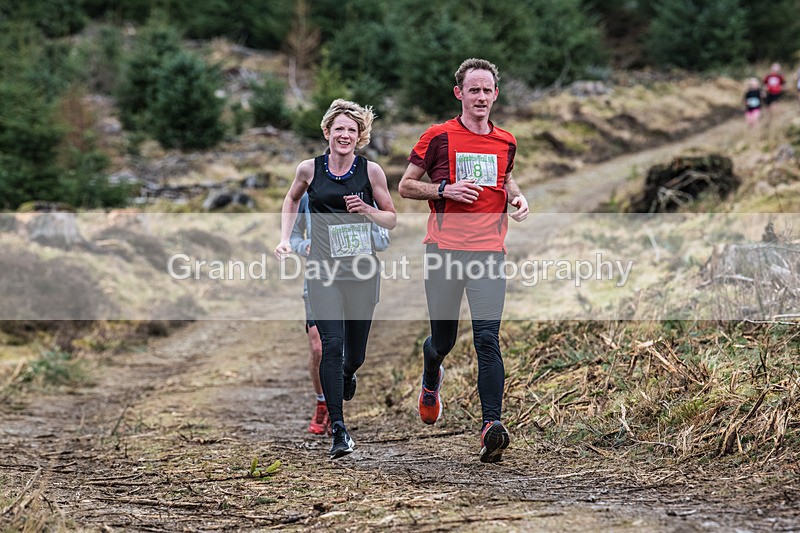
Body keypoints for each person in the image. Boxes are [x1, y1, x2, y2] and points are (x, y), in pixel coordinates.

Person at [398, 58, 528, 463]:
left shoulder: (506, 141)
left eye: (487, 90)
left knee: (488, 339)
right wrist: (445, 190)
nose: (481, 97)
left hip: (489, 253)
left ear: (495, 95)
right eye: (473, 90)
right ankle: (431, 371)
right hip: (444, 252)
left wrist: (517, 197)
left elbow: (505, 179)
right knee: (444, 340)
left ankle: (492, 425)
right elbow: (405, 186)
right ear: (460, 94)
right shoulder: (438, 136)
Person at [275, 99, 396, 459]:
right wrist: (286, 239)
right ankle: (340, 430)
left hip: (361, 273)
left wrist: (369, 210)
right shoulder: (309, 170)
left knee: (352, 355)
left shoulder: (371, 172)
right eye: (339, 129)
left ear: (360, 136)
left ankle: (347, 373)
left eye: (352, 130)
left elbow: (391, 219)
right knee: (329, 345)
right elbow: (291, 200)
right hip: (323, 271)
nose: (345, 135)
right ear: (327, 132)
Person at [291, 192, 391, 436]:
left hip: (356, 280)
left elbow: (383, 241)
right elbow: (293, 235)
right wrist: (304, 246)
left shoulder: (365, 193)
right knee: (319, 348)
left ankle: (345, 375)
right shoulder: (309, 196)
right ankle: (323, 403)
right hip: (319, 279)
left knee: (349, 352)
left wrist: (365, 216)